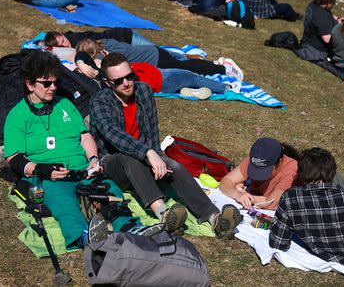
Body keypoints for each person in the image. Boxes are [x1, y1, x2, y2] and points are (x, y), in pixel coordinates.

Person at [4, 51, 157, 250]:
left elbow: (84, 136)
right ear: (30, 84)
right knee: (63, 203)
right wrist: (42, 170)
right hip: (49, 176)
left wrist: (93, 158)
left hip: (82, 168)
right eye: (46, 83)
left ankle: (129, 226)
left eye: (56, 82)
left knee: (109, 189)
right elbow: (14, 158)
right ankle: (83, 236)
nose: (53, 88)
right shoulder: (17, 116)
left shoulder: (65, 104)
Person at [89, 52, 243, 238]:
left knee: (174, 166)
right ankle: (164, 214)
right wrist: (148, 153)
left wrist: (158, 157)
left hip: (144, 157)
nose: (126, 83)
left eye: (129, 76)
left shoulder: (143, 91)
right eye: (118, 81)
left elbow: (152, 132)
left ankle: (215, 217)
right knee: (128, 157)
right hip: (113, 164)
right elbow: (114, 136)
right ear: (107, 82)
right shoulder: (99, 102)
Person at [44, 30, 244, 80]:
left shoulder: (110, 58)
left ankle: (224, 69)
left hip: (155, 58)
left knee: (186, 68)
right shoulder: (106, 42)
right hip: (153, 52)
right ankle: (216, 63)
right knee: (181, 60)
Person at [73, 39, 231, 99]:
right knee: (193, 76)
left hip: (158, 74)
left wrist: (81, 63)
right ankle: (224, 87)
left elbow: (81, 56)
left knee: (185, 72)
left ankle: (187, 89)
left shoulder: (107, 69)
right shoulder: (109, 67)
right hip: (160, 77)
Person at [219, 138, 299, 211]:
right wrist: (238, 194)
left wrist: (249, 198)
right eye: (255, 168)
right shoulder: (257, 157)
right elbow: (226, 181)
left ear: (280, 162)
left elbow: (272, 203)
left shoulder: (291, 169)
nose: (258, 176)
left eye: (265, 170)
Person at [295, 0, 339, 64]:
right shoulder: (322, 15)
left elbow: (327, 16)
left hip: (307, 42)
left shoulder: (313, 5)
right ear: (327, 4)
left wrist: (337, 19)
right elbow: (327, 39)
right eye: (332, 3)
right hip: (317, 50)